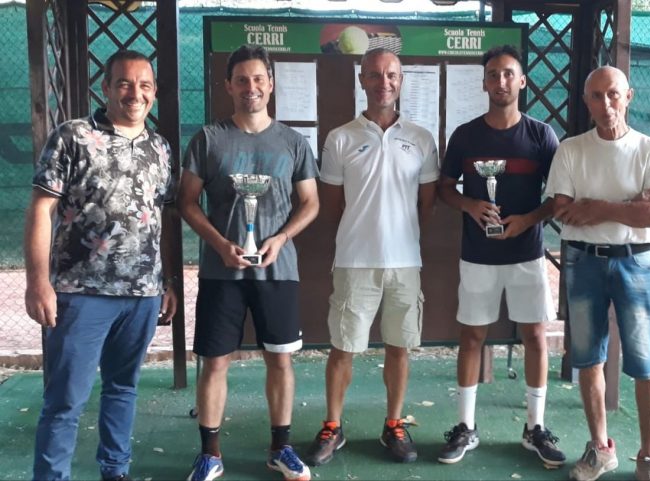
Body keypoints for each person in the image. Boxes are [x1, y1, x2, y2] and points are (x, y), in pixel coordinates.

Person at [25, 49, 178, 481]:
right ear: (106, 87)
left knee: (123, 389)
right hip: (79, 294)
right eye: (124, 83)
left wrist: (167, 281)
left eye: (144, 85)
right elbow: (40, 209)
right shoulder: (73, 136)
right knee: (64, 401)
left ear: (154, 92)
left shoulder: (160, 147)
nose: (135, 94)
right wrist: (38, 283)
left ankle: (115, 470)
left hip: (142, 295)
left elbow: (162, 216)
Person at [178, 45, 319, 481]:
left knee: (280, 360)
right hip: (221, 271)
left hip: (278, 269)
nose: (250, 87)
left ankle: (281, 449)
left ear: (270, 84)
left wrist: (281, 238)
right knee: (216, 361)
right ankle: (210, 454)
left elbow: (311, 203)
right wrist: (221, 244)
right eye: (242, 80)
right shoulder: (208, 139)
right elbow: (186, 202)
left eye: (258, 79)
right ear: (228, 86)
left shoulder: (293, 142)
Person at [544, 65, 650, 481]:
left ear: (628, 97)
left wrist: (599, 208)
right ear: (585, 101)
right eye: (596, 96)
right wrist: (634, 204)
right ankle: (600, 448)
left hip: (637, 261)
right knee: (588, 359)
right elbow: (563, 209)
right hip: (583, 261)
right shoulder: (571, 150)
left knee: (646, 363)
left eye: (613, 94)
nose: (606, 104)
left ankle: (649, 456)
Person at [304, 47, 438, 466]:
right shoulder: (340, 137)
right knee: (342, 349)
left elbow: (426, 203)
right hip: (354, 261)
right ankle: (332, 425)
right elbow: (331, 205)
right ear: (362, 80)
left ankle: (394, 424)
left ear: (401, 81)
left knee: (399, 348)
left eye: (392, 75)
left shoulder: (421, 138)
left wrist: (399, 232)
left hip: (405, 262)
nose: (384, 83)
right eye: (375, 75)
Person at [436, 45, 566, 467]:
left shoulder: (541, 136)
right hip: (478, 255)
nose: (501, 81)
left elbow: (559, 197)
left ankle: (535, 428)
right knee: (472, 337)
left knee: (535, 337)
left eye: (509, 73)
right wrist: (470, 205)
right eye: (493, 74)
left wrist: (528, 220)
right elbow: (444, 189)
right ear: (484, 83)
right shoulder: (465, 135)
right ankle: (465, 427)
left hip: (527, 253)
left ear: (522, 81)